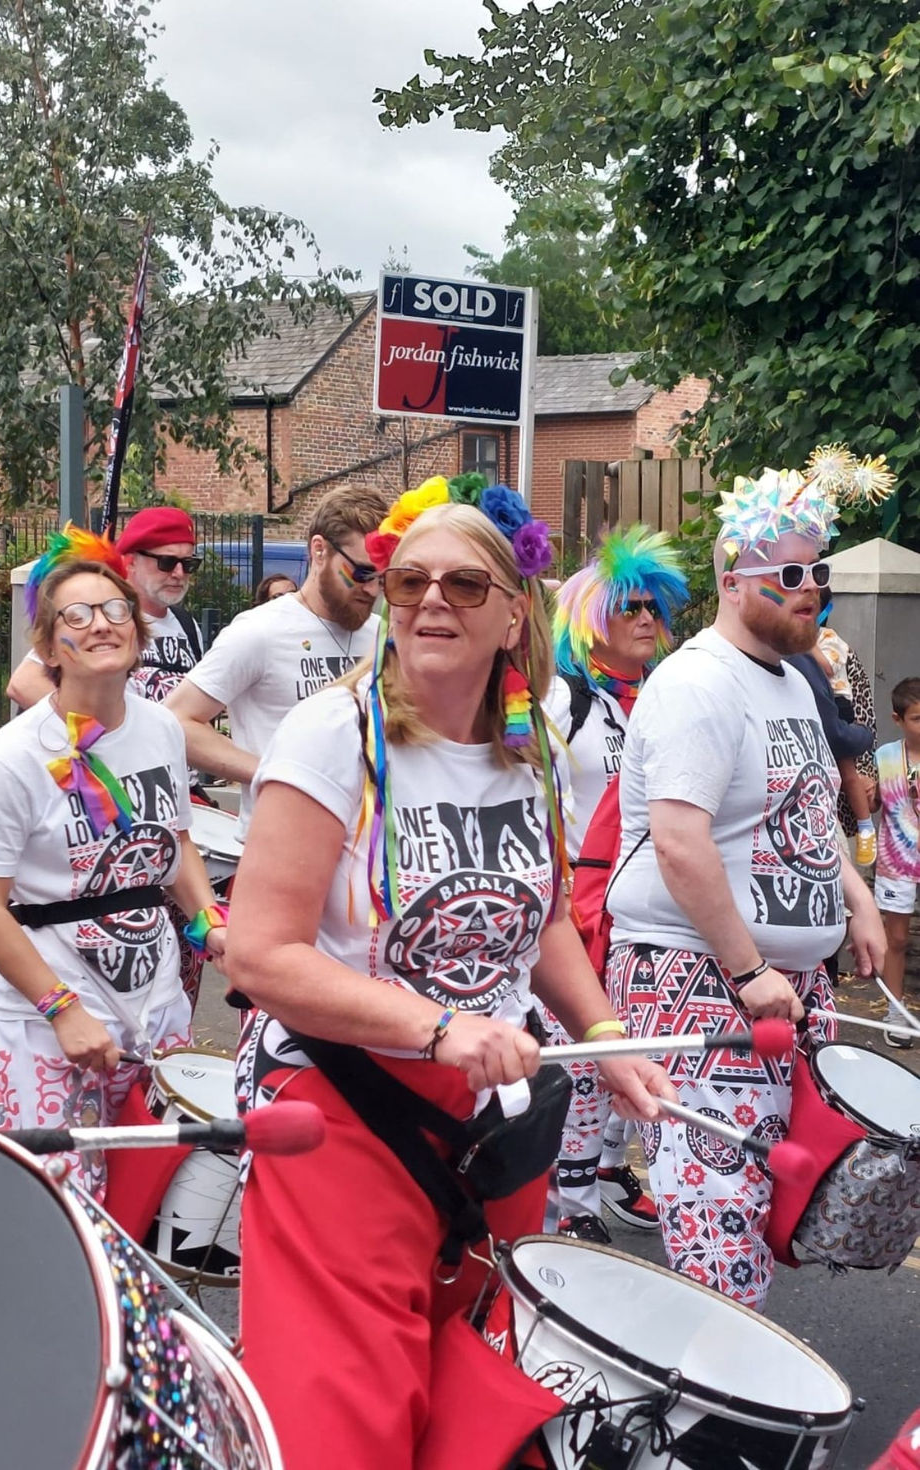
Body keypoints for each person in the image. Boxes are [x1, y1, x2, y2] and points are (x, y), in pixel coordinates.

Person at [226, 477, 675, 1470]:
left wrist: (602, 1040)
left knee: (469, 1408)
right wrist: (439, 1027)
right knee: (344, 1415)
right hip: (341, 1110)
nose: (432, 601)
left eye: (465, 585)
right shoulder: (330, 736)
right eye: (410, 580)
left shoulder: (534, 744)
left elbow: (544, 918)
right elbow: (259, 953)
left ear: (516, 609)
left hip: (494, 1118)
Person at [606, 461, 887, 1311]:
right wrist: (747, 970)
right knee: (718, 1206)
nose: (812, 591)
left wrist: (857, 898)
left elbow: (803, 816)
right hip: (698, 975)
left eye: (819, 573)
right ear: (734, 582)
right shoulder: (698, 682)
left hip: (778, 983)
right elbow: (680, 840)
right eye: (790, 576)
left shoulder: (791, 683)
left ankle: (731, 1379)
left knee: (779, 1199)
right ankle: (717, 1409)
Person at [0, 528, 227, 1198]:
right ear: (49, 647)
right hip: (52, 1010)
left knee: (154, 1195)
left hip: (156, 999)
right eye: (77, 615)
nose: (101, 624)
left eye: (114, 610)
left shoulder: (161, 727)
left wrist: (211, 925)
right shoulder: (13, 757)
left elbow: (176, 845)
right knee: (60, 1202)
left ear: (138, 630)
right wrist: (61, 1009)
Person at [542, 524, 689, 1241]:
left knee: (614, 1056)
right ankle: (566, 1210)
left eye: (654, 609)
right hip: (568, 910)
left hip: (633, 912)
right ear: (590, 618)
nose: (644, 620)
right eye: (628, 606)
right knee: (575, 1055)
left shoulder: (658, 701)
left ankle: (596, 1177)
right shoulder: (562, 700)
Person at [166, 485, 387, 839]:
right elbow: (175, 720)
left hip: (367, 852)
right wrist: (271, 772)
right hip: (280, 846)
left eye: (382, 577)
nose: (373, 590)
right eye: (362, 573)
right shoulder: (261, 631)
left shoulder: (383, 635)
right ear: (319, 550)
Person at [6, 505, 204, 711]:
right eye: (167, 562)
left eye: (189, 563)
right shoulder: (101, 617)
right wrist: (100, 733)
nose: (179, 573)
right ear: (131, 561)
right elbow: (25, 684)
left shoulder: (187, 626)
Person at [873, 676, 920, 1048]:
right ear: (898, 719)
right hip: (898, 858)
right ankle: (895, 1012)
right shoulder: (885, 757)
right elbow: (874, 804)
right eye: (917, 718)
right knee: (897, 938)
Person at [812, 608, 878, 865]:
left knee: (848, 775)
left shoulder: (829, 638)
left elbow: (827, 668)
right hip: (811, 708)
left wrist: (805, 643)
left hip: (836, 707)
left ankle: (865, 827)